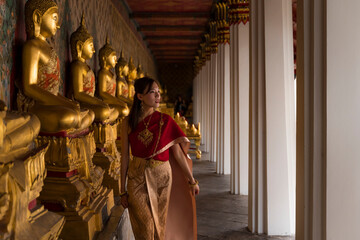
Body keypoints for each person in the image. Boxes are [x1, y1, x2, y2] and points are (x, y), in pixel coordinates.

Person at [120, 77, 200, 240]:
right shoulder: (128, 122)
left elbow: (177, 154)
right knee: (145, 227)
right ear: (140, 96)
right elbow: (124, 157)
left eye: (158, 92)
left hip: (162, 176)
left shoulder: (166, 121)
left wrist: (192, 180)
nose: (157, 96)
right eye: (152, 92)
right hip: (136, 176)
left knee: (159, 225)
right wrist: (122, 190)